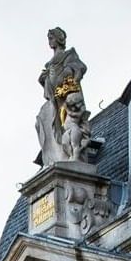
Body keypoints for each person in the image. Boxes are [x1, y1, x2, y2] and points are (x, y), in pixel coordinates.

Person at [36, 27, 88, 166]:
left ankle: (72, 153)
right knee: (51, 122)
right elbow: (50, 81)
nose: (50, 41)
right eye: (48, 39)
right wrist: (44, 79)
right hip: (55, 98)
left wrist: (68, 72)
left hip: (66, 95)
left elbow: (79, 68)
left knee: (68, 124)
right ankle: (58, 155)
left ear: (59, 39)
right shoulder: (49, 64)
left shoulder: (68, 55)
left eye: (51, 38)